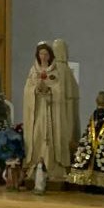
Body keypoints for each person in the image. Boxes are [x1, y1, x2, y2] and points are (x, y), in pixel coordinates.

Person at [22, 41, 70, 181]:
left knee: (50, 136)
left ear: (50, 56)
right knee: (37, 134)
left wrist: (50, 91)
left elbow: (59, 91)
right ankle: (35, 164)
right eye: (41, 54)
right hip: (38, 109)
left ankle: (52, 167)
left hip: (50, 109)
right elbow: (27, 90)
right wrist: (35, 89)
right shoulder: (33, 70)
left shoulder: (55, 71)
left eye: (45, 54)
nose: (43, 56)